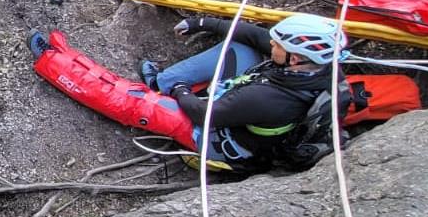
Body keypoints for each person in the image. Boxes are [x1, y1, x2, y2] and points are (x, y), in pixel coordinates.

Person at [139, 13, 343, 175]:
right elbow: (254, 36)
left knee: (161, 108)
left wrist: (180, 89)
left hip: (225, 142)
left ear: (295, 59)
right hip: (251, 118)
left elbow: (205, 113)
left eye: (278, 44)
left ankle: (165, 85)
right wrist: (201, 23)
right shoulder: (320, 67)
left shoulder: (267, 98)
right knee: (243, 48)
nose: (272, 43)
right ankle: (162, 82)